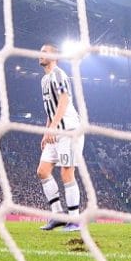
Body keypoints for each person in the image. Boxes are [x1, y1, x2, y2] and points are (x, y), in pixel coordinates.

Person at [36, 43, 83, 232]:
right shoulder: (44, 80)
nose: (40, 54)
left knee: (66, 173)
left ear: (55, 57)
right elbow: (51, 109)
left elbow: (64, 100)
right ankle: (58, 215)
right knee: (42, 171)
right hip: (54, 132)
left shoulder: (59, 74)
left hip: (69, 130)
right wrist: (46, 130)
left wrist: (54, 127)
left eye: (44, 52)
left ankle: (75, 220)